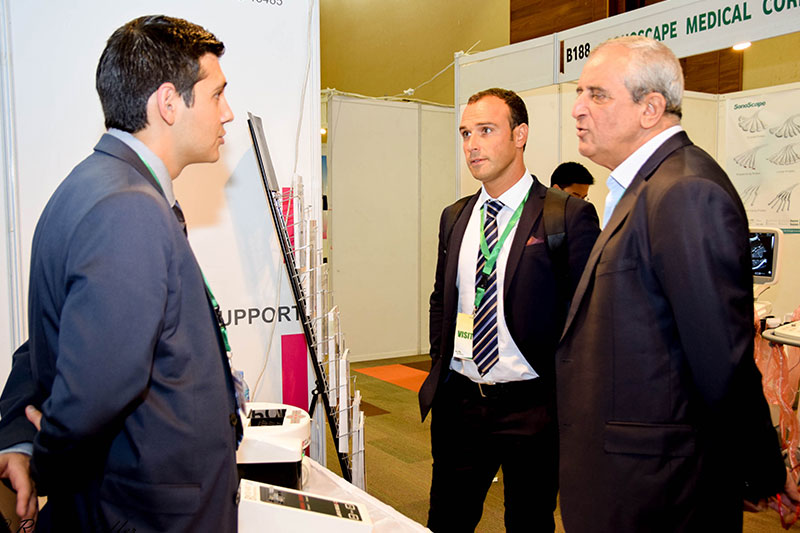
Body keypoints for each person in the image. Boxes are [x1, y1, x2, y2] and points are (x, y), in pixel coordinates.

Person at [0, 15, 241, 531]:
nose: (227, 112)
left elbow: (61, 339)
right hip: (148, 516)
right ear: (169, 102)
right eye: (217, 94)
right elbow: (95, 392)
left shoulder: (97, 185)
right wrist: (48, 461)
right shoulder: (128, 208)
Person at [556, 35, 793, 532]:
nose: (578, 108)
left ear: (650, 108)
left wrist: (761, 471)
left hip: (660, 492)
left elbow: (720, 357)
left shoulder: (685, 191)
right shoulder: (646, 187)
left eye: (597, 94)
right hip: (631, 478)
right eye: (579, 92)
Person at [418, 88, 600, 532]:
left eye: (486, 130)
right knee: (446, 519)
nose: (472, 145)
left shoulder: (566, 215)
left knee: (529, 522)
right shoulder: (455, 216)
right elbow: (444, 299)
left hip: (532, 406)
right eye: (465, 133)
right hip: (461, 402)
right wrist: (441, 363)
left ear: (520, 135)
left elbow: (589, 320)